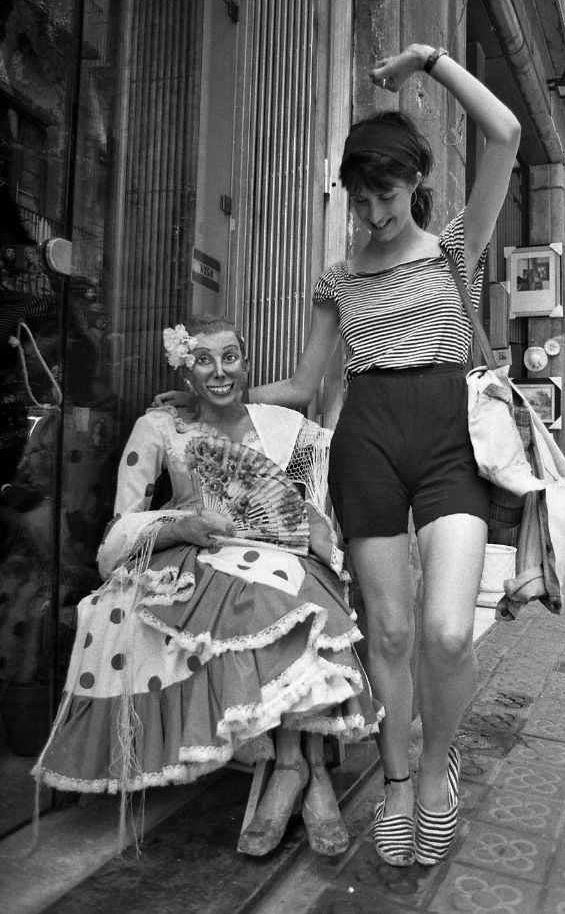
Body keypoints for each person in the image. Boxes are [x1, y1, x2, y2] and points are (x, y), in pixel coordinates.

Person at [155, 43, 520, 867]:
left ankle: (435, 767)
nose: (373, 215)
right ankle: (395, 781)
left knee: (448, 632)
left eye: (385, 196)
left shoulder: (455, 247)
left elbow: (505, 133)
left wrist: (430, 62)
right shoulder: (338, 278)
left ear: (413, 185)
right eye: (359, 202)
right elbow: (306, 382)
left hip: (445, 440)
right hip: (366, 448)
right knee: (387, 633)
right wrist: (211, 398)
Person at [32, 316, 382, 858]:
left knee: (306, 589)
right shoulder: (159, 427)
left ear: (246, 362)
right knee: (272, 598)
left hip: (278, 552)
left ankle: (299, 769)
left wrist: (316, 531)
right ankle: (303, 771)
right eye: (203, 360)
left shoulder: (279, 425)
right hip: (197, 557)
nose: (220, 372)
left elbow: (306, 505)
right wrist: (180, 525)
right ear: (185, 369)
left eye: (231, 357)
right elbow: (122, 524)